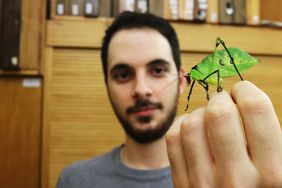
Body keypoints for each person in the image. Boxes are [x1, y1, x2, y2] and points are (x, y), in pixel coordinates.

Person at [56, 11, 282, 188]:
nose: (142, 90)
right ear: (107, 86)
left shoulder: (232, 174)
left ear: (181, 80)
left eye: (157, 70)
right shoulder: (74, 180)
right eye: (123, 75)